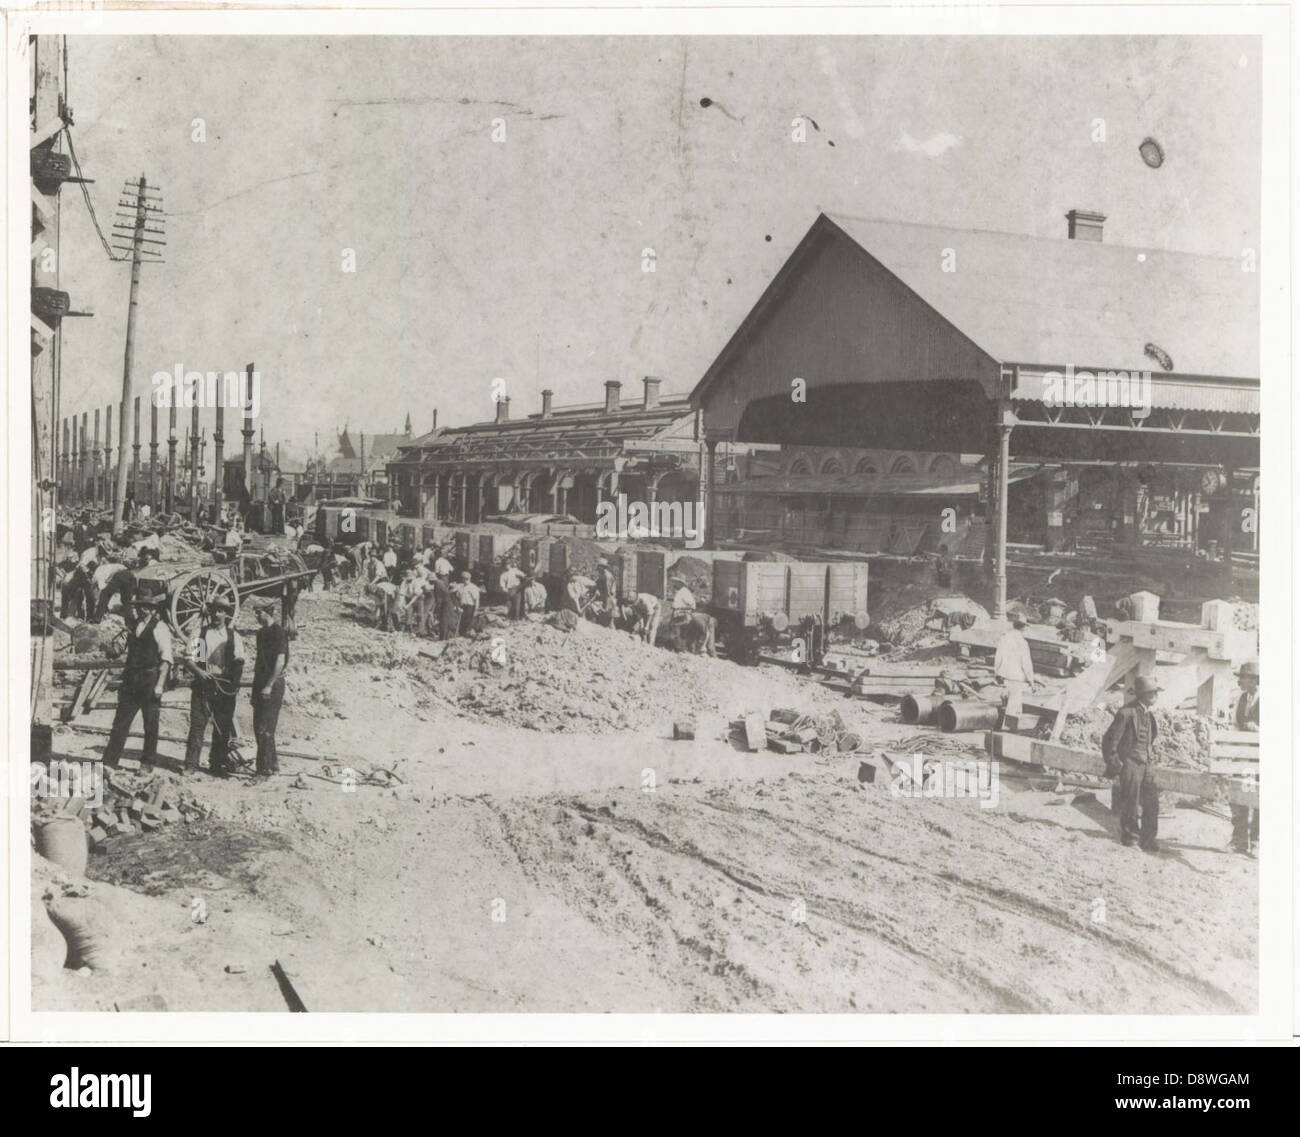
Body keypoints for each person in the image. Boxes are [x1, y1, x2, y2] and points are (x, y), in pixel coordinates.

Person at [101, 595, 173, 768]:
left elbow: (166, 660)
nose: (142, 610)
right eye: (140, 606)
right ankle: (109, 762)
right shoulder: (132, 626)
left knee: (150, 724)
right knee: (120, 723)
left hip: (150, 679)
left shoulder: (160, 628)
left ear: (154, 610)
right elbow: (119, 649)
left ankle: (147, 763)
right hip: (131, 680)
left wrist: (159, 685)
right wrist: (108, 648)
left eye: (146, 607)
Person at [183, 597, 245, 777]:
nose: (217, 614)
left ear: (226, 614)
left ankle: (216, 764)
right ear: (210, 612)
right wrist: (200, 672)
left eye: (221, 611)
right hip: (203, 685)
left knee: (222, 728)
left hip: (224, 687)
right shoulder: (202, 634)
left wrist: (232, 682)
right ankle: (191, 764)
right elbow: (191, 660)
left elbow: (239, 661)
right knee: (197, 725)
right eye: (215, 611)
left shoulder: (233, 636)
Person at [1102, 675, 1162, 852]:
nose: (1154, 696)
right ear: (1141, 694)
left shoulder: (1149, 715)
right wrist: (1116, 764)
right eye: (1150, 693)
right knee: (1131, 803)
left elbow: (1151, 739)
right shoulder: (1126, 713)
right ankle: (1130, 839)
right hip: (1131, 763)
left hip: (1147, 764)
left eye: (1155, 692)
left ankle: (1148, 839)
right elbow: (1109, 741)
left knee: (1152, 803)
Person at [250, 598, 288, 777]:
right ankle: (273, 764)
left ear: (268, 612)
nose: (256, 616)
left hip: (273, 684)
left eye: (259, 612)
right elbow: (260, 662)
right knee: (259, 726)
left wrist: (269, 685)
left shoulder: (278, 632)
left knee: (265, 728)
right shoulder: (261, 633)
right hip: (260, 682)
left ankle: (263, 771)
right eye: (255, 612)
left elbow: (280, 661)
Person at [1229, 661, 1260, 856]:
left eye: (1243, 677)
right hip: (1244, 761)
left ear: (1253, 680)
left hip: (1261, 761)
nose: (1239, 681)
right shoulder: (1241, 698)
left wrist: (1257, 729)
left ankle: (1256, 842)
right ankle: (1239, 841)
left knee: (1259, 799)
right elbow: (1234, 725)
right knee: (1242, 797)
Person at [993, 615, 1037, 716]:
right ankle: (1008, 725)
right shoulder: (1022, 642)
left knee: (1005, 700)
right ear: (1024, 627)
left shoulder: (1004, 638)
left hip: (1005, 675)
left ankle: (1001, 721)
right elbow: (1026, 663)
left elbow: (998, 657)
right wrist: (1031, 680)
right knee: (1014, 705)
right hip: (1017, 677)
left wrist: (996, 673)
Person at [91, 558, 132, 623]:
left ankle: (97, 618)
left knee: (105, 594)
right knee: (126, 600)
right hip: (129, 574)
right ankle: (130, 621)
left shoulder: (97, 574)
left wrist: (97, 597)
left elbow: (102, 588)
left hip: (120, 574)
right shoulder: (103, 568)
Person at [453, 570, 480, 636]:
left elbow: (476, 600)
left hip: (469, 606)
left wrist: (476, 609)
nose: (465, 580)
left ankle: (467, 634)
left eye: (467, 579)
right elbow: (458, 595)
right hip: (462, 606)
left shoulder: (473, 587)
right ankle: (461, 634)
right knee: (462, 621)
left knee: (468, 621)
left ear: (469, 579)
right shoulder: (461, 586)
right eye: (464, 579)